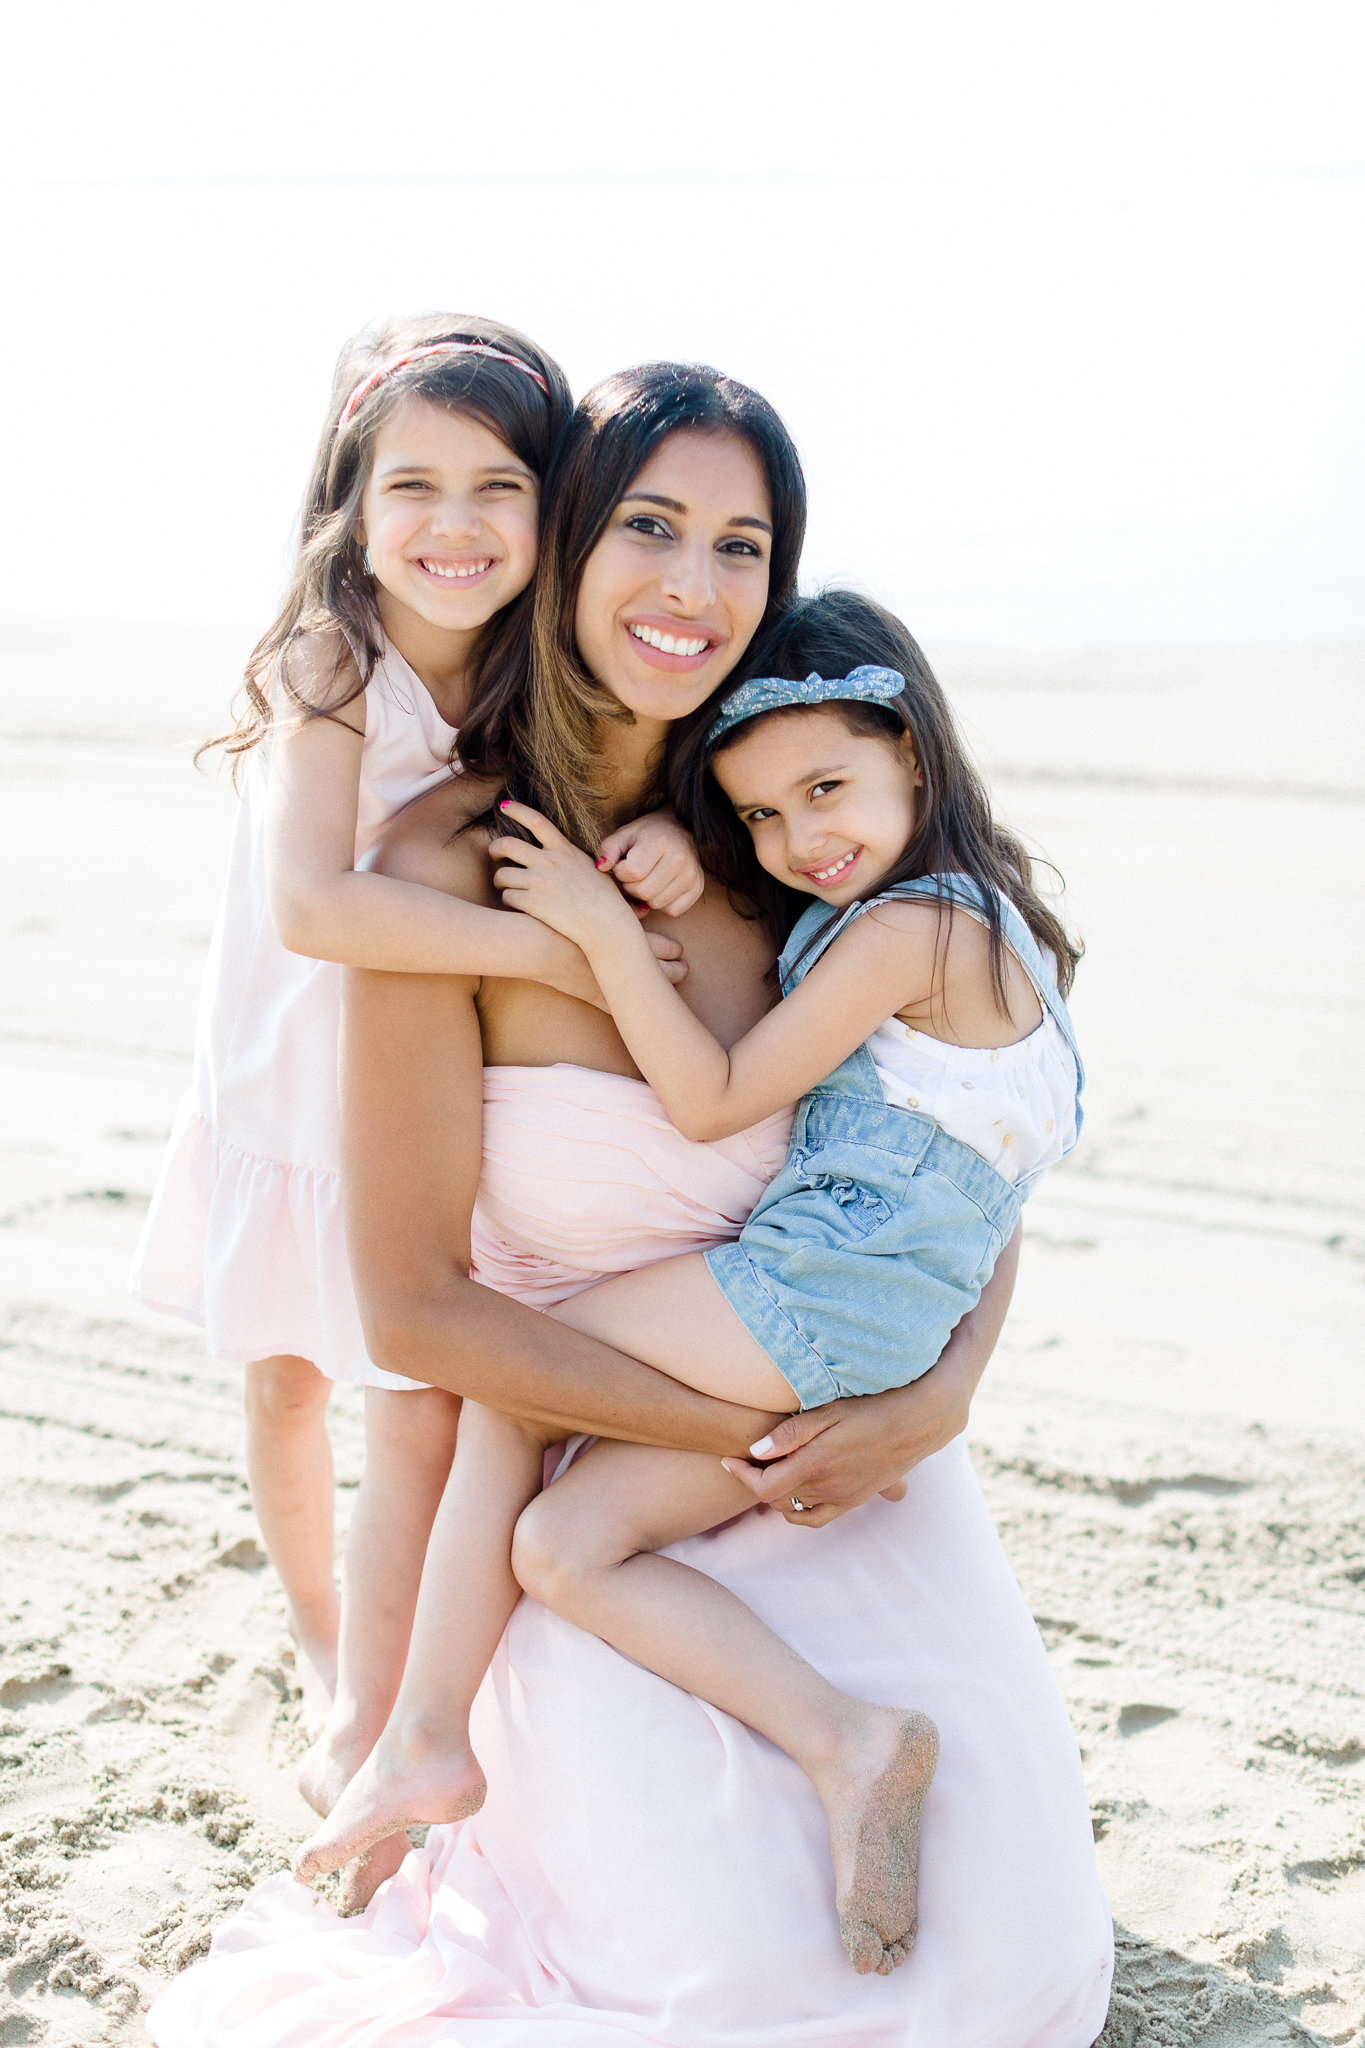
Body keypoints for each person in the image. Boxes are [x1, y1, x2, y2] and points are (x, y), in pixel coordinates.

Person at [146, 365, 1113, 2048]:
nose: (692, 585)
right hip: (598, 1473)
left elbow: (961, 1142)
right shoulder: (446, 871)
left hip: (860, 1460)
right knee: (728, 1990)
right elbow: (414, 1322)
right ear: (574, 540)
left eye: (741, 545)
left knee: (1016, 1969)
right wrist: (751, 1429)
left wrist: (939, 1395)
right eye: (651, 526)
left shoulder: (788, 840)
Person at [296, 590, 1084, 1977]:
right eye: (766, 818)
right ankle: (850, 1740)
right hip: (877, 1329)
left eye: (825, 791)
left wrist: (598, 936)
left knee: (507, 1389)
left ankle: (423, 1741)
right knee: (562, 1546)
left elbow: (714, 1098)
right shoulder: (998, 929)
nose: (799, 841)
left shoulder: (895, 932)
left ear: (915, 752)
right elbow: (986, 1179)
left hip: (804, 1309)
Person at [129, 315, 701, 1728]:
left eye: (498, 488)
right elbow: (315, 908)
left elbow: (614, 792)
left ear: (548, 508)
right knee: (284, 1381)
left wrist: (665, 849)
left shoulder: (535, 660)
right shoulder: (333, 665)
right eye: (413, 487)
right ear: (351, 505)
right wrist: (560, 957)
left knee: (420, 1395)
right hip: (288, 1072)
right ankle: (324, 1642)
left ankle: (401, 1672)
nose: (457, 525)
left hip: (429, 1091)